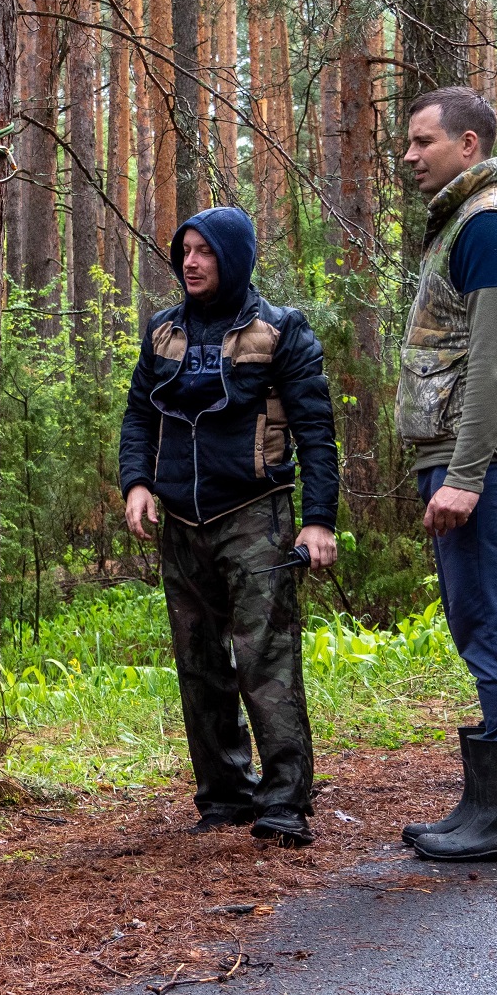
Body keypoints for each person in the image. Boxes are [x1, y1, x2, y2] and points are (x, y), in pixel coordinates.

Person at [118, 206, 339, 849]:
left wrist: (319, 520)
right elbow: (139, 417)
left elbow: (316, 433)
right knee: (199, 663)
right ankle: (222, 794)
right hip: (180, 522)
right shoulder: (162, 332)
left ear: (233, 259)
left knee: (266, 660)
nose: (190, 261)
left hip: (255, 516)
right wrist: (135, 482)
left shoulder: (281, 332)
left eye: (205, 251)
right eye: (184, 250)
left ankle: (284, 801)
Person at [395, 86, 497, 864]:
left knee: (493, 624)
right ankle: (486, 803)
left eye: (423, 141)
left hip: (485, 461)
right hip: (474, 457)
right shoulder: (474, 219)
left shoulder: (492, 223)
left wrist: (464, 475)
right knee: (481, 623)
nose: (409, 155)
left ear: (468, 144)